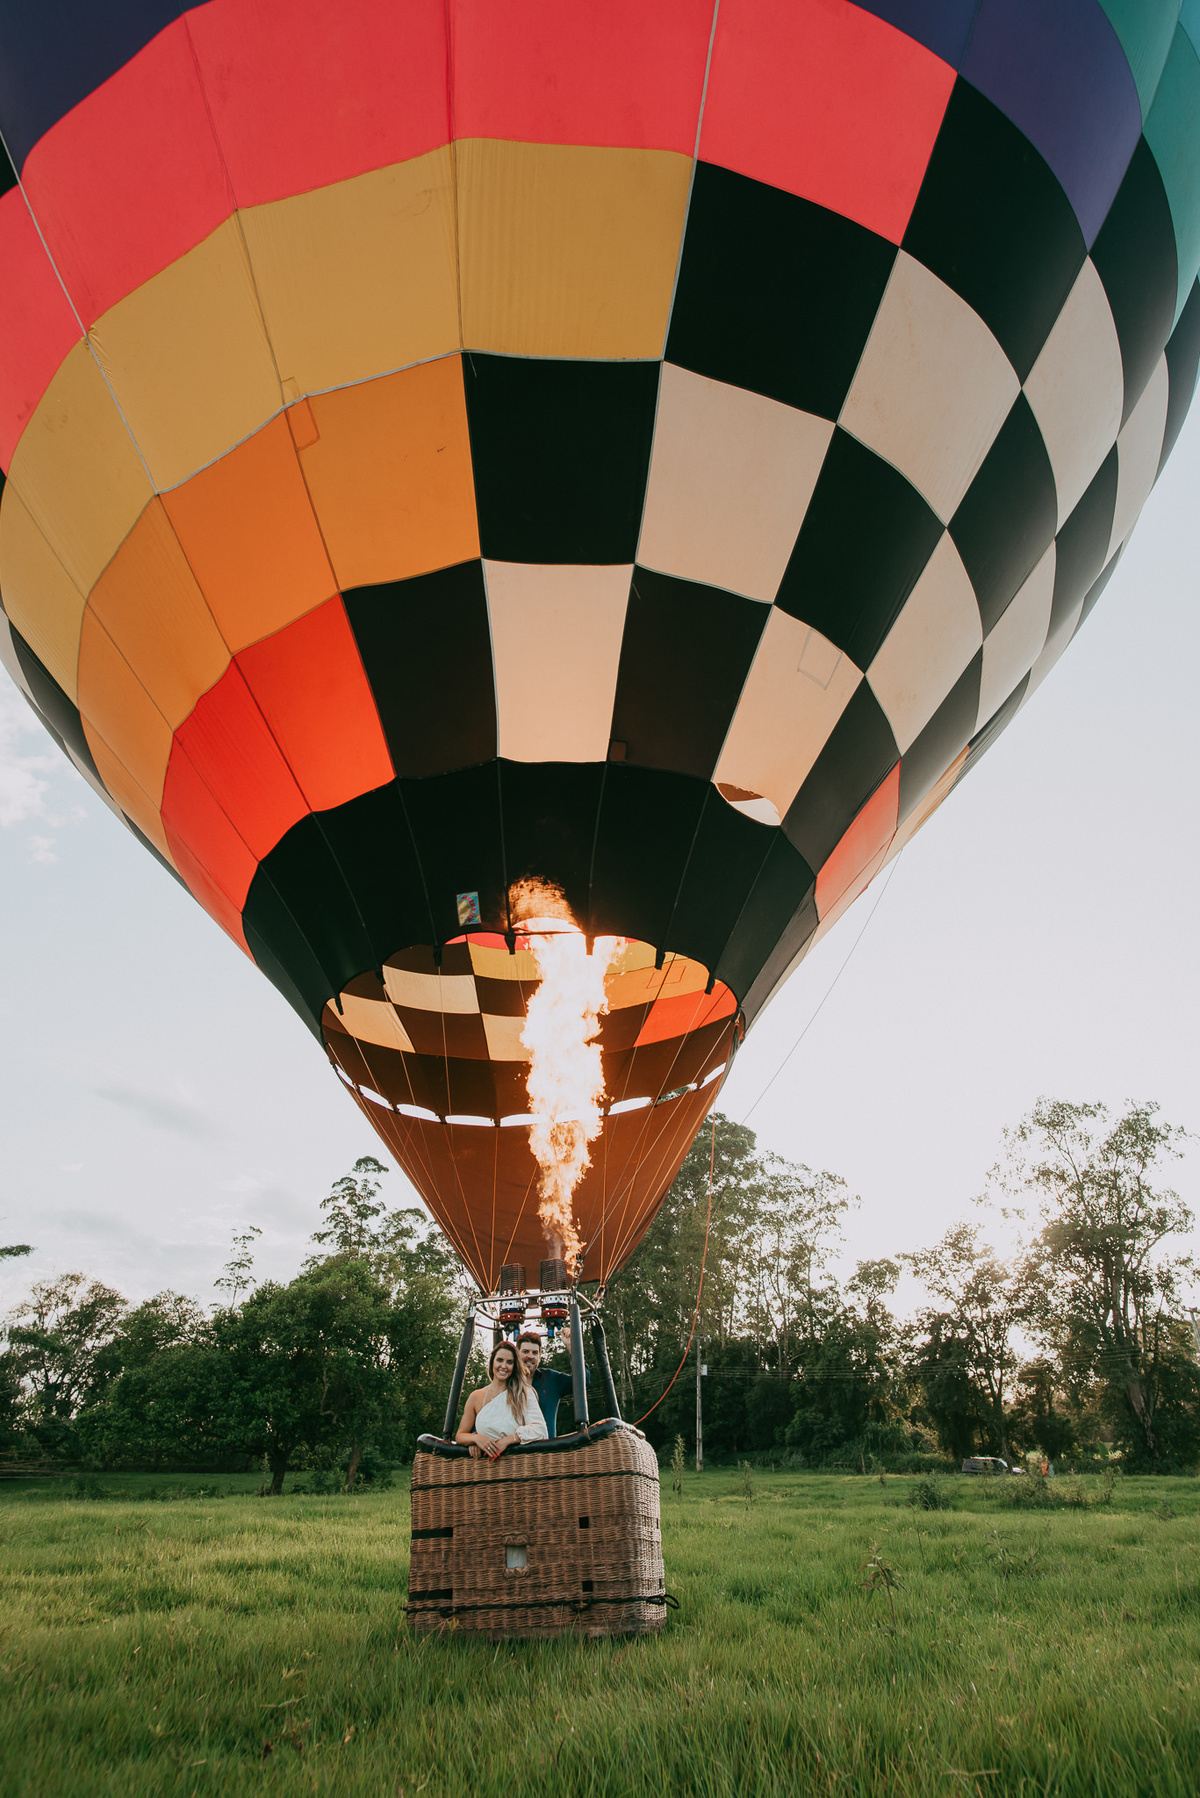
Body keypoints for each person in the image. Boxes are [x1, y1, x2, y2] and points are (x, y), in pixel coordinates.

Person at [456, 1339, 548, 1459]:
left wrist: (507, 1441)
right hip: (484, 1466)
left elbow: (540, 1430)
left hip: (517, 1463)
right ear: (492, 1362)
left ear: (514, 1366)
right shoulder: (476, 1396)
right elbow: (460, 1435)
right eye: (500, 1360)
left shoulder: (524, 1393)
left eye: (509, 1362)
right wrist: (476, 1439)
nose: (503, 1366)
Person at [516, 1330, 590, 1438]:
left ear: (539, 1357)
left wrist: (571, 1347)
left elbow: (583, 1381)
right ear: (517, 1354)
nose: (530, 1356)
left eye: (535, 1353)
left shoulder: (550, 1379)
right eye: (525, 1351)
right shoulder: (507, 1383)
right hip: (515, 1451)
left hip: (547, 1450)